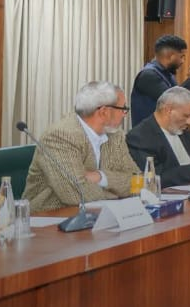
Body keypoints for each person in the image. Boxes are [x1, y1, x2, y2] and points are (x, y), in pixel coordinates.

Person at [25, 81, 142, 212]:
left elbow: (139, 182)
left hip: (98, 215)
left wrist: (101, 177)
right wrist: (116, 194)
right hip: (50, 216)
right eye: (123, 109)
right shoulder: (60, 136)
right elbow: (75, 194)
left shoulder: (115, 135)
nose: (124, 114)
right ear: (104, 112)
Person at [126, 86, 190, 188]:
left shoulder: (183, 132)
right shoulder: (139, 137)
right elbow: (154, 178)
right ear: (168, 110)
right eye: (186, 116)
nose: (189, 122)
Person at [130, 34, 190, 126]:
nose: (183, 61)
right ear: (170, 56)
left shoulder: (168, 75)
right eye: (181, 57)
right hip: (149, 134)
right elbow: (172, 102)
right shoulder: (148, 75)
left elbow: (183, 104)